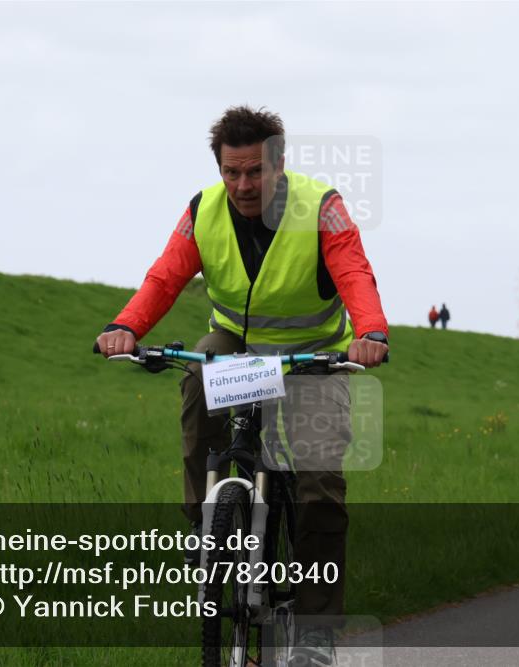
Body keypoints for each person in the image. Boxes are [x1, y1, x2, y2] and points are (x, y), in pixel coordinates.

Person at [94, 106, 389, 665]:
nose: (243, 185)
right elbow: (165, 275)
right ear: (220, 169)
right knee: (197, 373)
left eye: (254, 171)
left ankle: (317, 633)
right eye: (232, 173)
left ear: (278, 165)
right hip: (237, 346)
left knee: (320, 481)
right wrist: (126, 326)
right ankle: (204, 524)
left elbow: (354, 271)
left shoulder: (322, 208)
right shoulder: (201, 211)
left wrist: (369, 332)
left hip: (312, 358)